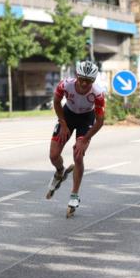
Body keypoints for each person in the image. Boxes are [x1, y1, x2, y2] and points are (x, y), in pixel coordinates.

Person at [46, 60, 106, 217]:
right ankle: (60, 172)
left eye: (89, 81)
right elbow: (56, 102)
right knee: (53, 155)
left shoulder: (98, 93)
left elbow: (100, 121)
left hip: (86, 119)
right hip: (67, 115)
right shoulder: (65, 85)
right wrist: (63, 123)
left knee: (78, 155)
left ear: (94, 80)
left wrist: (85, 139)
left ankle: (74, 195)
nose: (84, 83)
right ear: (77, 76)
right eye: (82, 79)